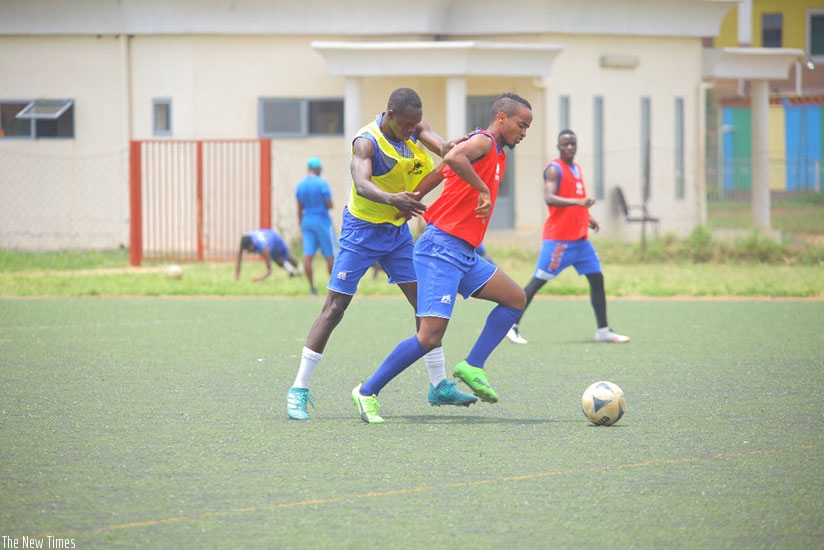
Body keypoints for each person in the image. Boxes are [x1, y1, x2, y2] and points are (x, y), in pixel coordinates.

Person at [286, 87, 471, 420]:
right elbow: (361, 183)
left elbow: (439, 145)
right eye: (407, 125)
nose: (412, 130)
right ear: (389, 115)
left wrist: (453, 147)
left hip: (396, 234)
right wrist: (392, 199)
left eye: (416, 124)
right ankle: (299, 389)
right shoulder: (366, 142)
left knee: (425, 306)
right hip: (362, 231)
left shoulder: (415, 126)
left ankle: (438, 384)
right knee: (335, 308)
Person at [352, 93, 533, 424]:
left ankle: (472, 365)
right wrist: (481, 189)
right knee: (429, 336)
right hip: (440, 249)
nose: (524, 132)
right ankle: (367, 392)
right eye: (522, 125)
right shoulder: (483, 141)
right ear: (503, 119)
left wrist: (414, 198)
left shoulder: (494, 152)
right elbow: (457, 158)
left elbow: (445, 166)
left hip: (463, 252)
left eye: (528, 128)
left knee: (515, 299)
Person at [505, 129, 629, 345]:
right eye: (565, 144)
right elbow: (550, 198)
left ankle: (603, 330)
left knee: (597, 279)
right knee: (537, 283)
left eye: (573, 143)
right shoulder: (554, 169)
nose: (569, 147)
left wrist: (587, 217)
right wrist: (578, 203)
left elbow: (577, 199)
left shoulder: (576, 169)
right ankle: (511, 325)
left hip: (581, 242)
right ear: (558, 147)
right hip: (559, 242)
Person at [296, 156, 335, 296]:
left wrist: (301, 225)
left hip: (307, 221)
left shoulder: (300, 185)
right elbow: (329, 204)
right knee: (330, 255)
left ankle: (312, 289)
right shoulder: (322, 183)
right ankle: (334, 290)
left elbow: (299, 209)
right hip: (322, 221)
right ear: (318, 169)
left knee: (308, 255)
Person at [235, 229, 300, 282]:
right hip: (268, 239)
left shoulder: (264, 248)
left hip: (275, 240)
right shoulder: (244, 241)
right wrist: (237, 279)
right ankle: (291, 271)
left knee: (286, 257)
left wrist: (259, 279)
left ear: (252, 245)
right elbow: (238, 260)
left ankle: (300, 269)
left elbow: (269, 270)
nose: (248, 252)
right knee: (278, 260)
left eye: (249, 250)